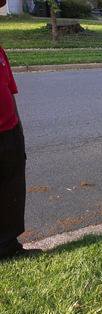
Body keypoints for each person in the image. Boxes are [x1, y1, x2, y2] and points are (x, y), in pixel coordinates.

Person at [0, 20, 31, 259]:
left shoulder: (0, 52)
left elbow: (9, 90)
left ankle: (9, 246)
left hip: (10, 132)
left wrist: (18, 129)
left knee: (12, 190)